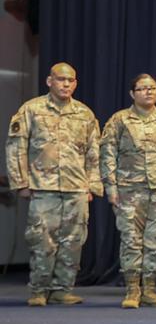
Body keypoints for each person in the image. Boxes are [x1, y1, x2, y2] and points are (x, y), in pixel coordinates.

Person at [5, 63, 102, 306]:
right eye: (60, 79)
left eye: (70, 80)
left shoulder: (84, 114)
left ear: (76, 83)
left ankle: (61, 289)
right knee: (41, 239)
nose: (66, 84)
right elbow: (16, 148)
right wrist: (21, 182)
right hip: (42, 186)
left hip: (76, 187)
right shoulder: (32, 110)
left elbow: (94, 153)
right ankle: (39, 289)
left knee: (73, 240)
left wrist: (92, 185)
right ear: (49, 81)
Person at [101, 74, 156, 308]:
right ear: (132, 93)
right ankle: (131, 291)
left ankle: (149, 289)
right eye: (142, 88)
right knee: (131, 240)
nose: (148, 92)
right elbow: (107, 155)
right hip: (129, 190)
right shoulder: (119, 120)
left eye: (152, 88)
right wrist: (111, 188)